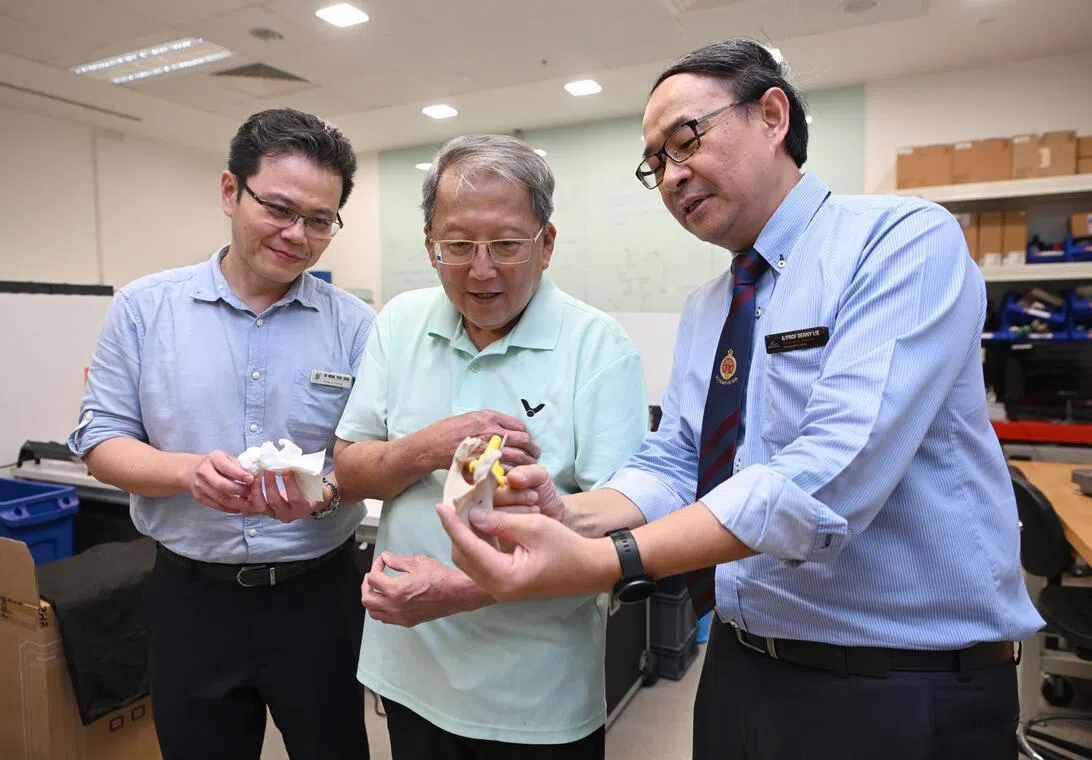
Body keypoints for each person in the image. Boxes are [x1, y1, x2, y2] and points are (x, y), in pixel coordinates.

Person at [437, 40, 1044, 760]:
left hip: (899, 686)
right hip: (745, 666)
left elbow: (828, 477)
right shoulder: (713, 306)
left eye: (684, 139)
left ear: (772, 115)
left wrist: (612, 561)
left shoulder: (899, 242)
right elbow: (680, 460)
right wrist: (569, 517)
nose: (670, 174)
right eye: (654, 162)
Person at [68, 108, 374, 760]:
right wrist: (187, 473)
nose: (298, 235)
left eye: (320, 220)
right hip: (190, 598)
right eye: (280, 209)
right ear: (231, 192)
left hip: (319, 595)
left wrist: (324, 489)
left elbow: (370, 456)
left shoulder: (355, 326)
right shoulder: (145, 310)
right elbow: (101, 441)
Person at [332, 134, 648, 759]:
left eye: (506, 244)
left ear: (546, 244)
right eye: (457, 245)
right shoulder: (398, 323)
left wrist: (465, 588)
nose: (481, 268)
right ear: (430, 245)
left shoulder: (598, 347)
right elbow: (348, 471)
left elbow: (621, 534)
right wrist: (428, 447)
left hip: (535, 692)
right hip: (410, 670)